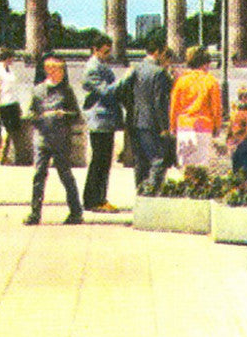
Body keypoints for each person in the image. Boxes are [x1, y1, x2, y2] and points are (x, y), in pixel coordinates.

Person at [22, 55, 83, 225]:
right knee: (39, 174)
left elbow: (76, 115)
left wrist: (65, 114)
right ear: (48, 70)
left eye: (62, 70)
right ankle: (35, 213)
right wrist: (42, 115)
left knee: (65, 174)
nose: (61, 73)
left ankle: (76, 211)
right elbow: (30, 114)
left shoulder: (67, 91)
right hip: (42, 137)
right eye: (57, 69)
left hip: (61, 139)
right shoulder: (38, 90)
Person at [118, 39, 173, 196]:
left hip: (135, 121)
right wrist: (164, 127)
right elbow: (159, 102)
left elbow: (122, 91)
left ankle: (141, 195)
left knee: (140, 161)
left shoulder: (136, 68)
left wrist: (131, 109)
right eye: (163, 53)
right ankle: (150, 196)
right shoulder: (159, 72)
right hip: (153, 123)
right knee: (158, 160)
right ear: (157, 52)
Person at [80, 34, 122, 213]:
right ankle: (95, 199)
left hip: (105, 120)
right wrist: (124, 81)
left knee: (102, 161)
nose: (108, 55)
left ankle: (96, 198)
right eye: (105, 51)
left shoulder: (100, 65)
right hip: (100, 120)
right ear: (95, 49)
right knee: (100, 161)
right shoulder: (92, 68)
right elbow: (106, 91)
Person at [169, 46, 223, 172]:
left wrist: (173, 126)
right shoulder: (211, 81)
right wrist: (217, 126)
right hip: (203, 127)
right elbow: (216, 108)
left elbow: (174, 106)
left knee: (184, 167)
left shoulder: (181, 81)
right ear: (206, 63)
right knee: (201, 168)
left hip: (183, 127)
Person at [0, 49, 31, 167]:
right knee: (1, 133)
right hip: (3, 105)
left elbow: (14, 89)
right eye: (12, 58)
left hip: (12, 104)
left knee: (9, 132)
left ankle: (3, 157)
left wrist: (18, 104)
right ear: (7, 58)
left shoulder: (10, 71)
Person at [226, 87, 247, 179]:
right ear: (244, 98)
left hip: (236, 144)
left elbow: (229, 130)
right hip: (245, 145)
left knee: (236, 171)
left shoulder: (234, 113)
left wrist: (230, 143)